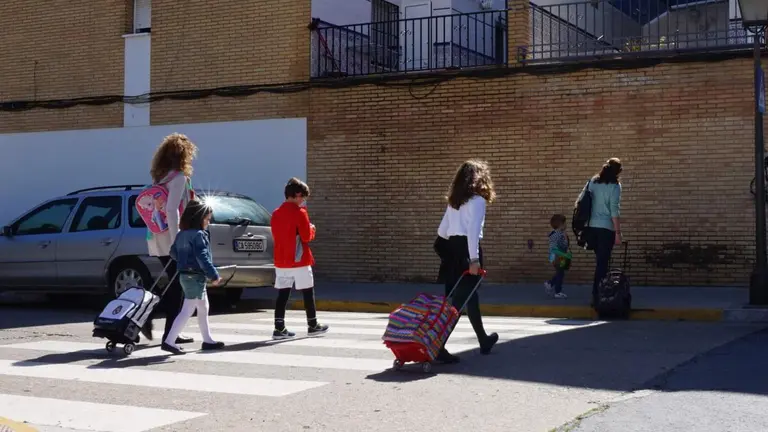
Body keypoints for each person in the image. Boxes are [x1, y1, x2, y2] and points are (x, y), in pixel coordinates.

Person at [436, 159, 499, 363]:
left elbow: (442, 232)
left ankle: (483, 340)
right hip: (467, 251)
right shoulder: (478, 201)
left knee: (469, 297)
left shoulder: (454, 202)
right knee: (458, 303)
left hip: (452, 252)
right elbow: (473, 232)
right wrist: (473, 259)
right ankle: (438, 346)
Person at [142, 133, 198, 345]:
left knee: (175, 284)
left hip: (156, 236)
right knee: (178, 285)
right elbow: (172, 209)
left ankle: (169, 329)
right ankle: (164, 328)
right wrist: (178, 243)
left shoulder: (161, 178)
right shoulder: (179, 178)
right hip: (171, 239)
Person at [162, 200, 225, 354]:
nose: (208, 222)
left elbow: (173, 253)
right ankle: (169, 341)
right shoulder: (199, 235)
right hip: (195, 276)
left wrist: (183, 261)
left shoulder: (181, 234)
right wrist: (214, 275)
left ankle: (208, 340)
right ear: (198, 218)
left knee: (203, 307)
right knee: (188, 309)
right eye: (207, 219)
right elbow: (203, 257)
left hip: (185, 275)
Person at [270, 177, 329, 340]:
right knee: (308, 292)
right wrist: (312, 229)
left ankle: (279, 328)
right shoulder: (300, 213)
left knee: (283, 294)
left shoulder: (276, 213)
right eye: (302, 196)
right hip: (299, 259)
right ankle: (312, 325)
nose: (303, 200)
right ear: (296, 195)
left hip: (281, 260)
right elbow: (306, 236)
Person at [577, 157, 623, 305]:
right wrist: (618, 232)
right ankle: (598, 296)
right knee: (602, 264)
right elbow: (614, 210)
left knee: (600, 263)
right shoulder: (615, 186)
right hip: (606, 229)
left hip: (591, 228)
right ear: (618, 172)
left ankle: (599, 293)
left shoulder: (592, 182)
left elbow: (580, 201)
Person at [545, 214, 571, 299]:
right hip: (558, 257)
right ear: (561, 224)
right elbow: (555, 247)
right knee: (560, 273)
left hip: (559, 256)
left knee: (560, 272)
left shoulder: (559, 233)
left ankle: (550, 284)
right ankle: (557, 291)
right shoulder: (557, 234)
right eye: (565, 223)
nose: (566, 225)